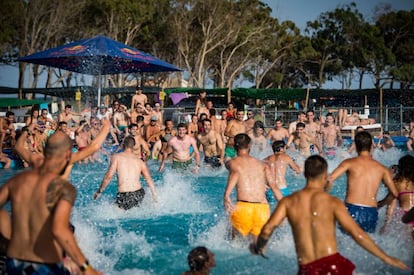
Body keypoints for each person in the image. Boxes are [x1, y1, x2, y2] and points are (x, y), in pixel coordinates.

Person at [250, 155, 408, 273]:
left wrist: (259, 246)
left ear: (305, 174)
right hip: (334, 265)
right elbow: (357, 233)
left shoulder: (288, 202)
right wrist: (386, 257)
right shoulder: (332, 202)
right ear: (325, 175)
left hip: (308, 268)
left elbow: (268, 229)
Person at [0, 131, 101, 274]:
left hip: (13, 264)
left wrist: (4, 240)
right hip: (44, 267)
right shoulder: (62, 187)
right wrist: (86, 267)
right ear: (67, 154)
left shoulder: (17, 180)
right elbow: (59, 230)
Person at [328, 131, 399, 233]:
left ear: (356, 146)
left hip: (351, 208)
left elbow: (330, 179)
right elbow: (395, 193)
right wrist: (381, 203)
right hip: (371, 211)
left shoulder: (349, 163)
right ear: (371, 146)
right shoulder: (381, 168)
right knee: (366, 243)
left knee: (346, 245)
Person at [223, 133, 283, 244]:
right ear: (249, 146)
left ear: (235, 147)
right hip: (263, 209)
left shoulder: (233, 163)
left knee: (235, 245)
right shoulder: (263, 165)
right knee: (258, 248)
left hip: (243, 208)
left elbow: (230, 165)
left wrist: (226, 196)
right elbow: (274, 187)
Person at [94, 136, 157, 210]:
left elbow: (109, 176)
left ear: (123, 145)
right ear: (134, 146)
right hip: (138, 193)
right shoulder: (140, 161)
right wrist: (154, 196)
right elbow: (149, 180)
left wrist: (99, 191)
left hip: (124, 195)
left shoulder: (116, 157)